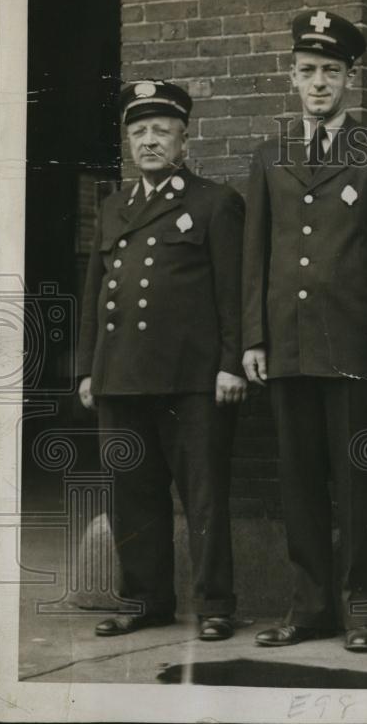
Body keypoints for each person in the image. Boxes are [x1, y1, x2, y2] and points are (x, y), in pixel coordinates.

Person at [241, 10, 367, 651]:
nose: (319, 83)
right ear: (291, 76)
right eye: (308, 71)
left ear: (351, 79)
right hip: (288, 342)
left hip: (354, 345)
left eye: (331, 72)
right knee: (299, 479)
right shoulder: (270, 154)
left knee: (359, 480)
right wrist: (253, 337)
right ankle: (309, 610)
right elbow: (256, 253)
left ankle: (364, 610)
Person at [76, 80, 246, 641]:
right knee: (132, 494)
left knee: (203, 495)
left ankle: (216, 604)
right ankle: (147, 600)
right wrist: (87, 369)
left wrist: (230, 362)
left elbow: (232, 293)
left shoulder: (214, 202)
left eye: (161, 131)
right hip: (121, 376)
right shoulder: (112, 208)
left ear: (183, 139)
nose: (149, 141)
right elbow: (95, 292)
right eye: (138, 131)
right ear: (128, 141)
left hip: (192, 380)